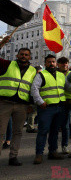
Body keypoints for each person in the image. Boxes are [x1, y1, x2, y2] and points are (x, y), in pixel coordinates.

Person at [0, 35, 37, 166]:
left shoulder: (34, 71)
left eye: (26, 55)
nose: (24, 56)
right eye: (21, 54)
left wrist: (32, 105)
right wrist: (2, 43)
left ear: (30, 57)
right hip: (4, 104)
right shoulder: (7, 64)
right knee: (1, 132)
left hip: (22, 106)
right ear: (17, 55)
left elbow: (33, 89)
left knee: (18, 132)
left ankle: (13, 157)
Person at [32, 55, 67, 164]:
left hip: (59, 107)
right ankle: (39, 154)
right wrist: (40, 101)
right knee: (43, 131)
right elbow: (34, 88)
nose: (51, 64)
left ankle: (53, 151)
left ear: (56, 63)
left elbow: (68, 87)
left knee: (55, 131)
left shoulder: (61, 75)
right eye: (49, 62)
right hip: (46, 108)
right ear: (45, 63)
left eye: (53, 62)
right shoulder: (41, 75)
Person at [56, 57, 71, 154]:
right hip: (59, 102)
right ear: (58, 64)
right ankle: (57, 147)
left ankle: (65, 145)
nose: (64, 65)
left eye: (66, 63)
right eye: (62, 63)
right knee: (60, 126)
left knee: (67, 125)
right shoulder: (56, 74)